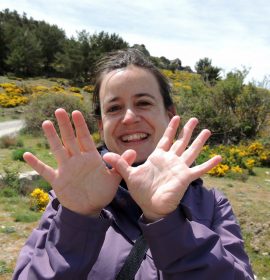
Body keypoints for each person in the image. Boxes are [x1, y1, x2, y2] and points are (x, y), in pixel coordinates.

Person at [13, 49, 254, 280]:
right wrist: (78, 220)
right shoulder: (68, 202)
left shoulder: (211, 205)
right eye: (114, 108)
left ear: (169, 115)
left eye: (143, 103)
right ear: (101, 126)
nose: (129, 117)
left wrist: (167, 222)